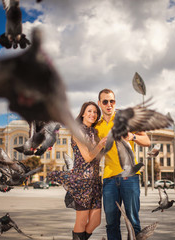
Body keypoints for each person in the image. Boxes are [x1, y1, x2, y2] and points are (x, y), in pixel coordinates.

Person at [95, 88, 150, 240]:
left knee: (133, 221)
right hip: (109, 179)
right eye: (105, 101)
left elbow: (147, 141)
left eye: (112, 101)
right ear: (100, 104)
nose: (109, 104)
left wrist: (132, 136)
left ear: (115, 103)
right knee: (111, 223)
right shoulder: (97, 127)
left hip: (130, 178)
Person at [47, 101, 107, 240]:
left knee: (96, 221)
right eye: (90, 111)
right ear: (83, 113)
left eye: (95, 112)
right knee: (81, 220)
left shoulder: (94, 133)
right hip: (82, 181)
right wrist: (100, 145)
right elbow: (87, 157)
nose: (93, 114)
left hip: (94, 182)